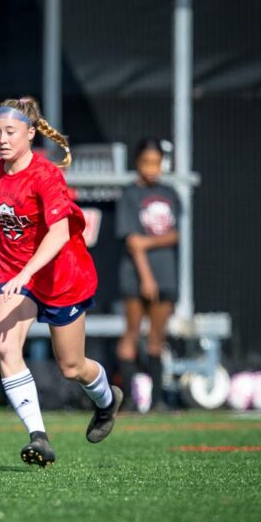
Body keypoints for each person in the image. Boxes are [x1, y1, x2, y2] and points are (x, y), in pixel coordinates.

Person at [0, 97, 122, 468]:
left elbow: (59, 234)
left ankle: (108, 401)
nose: (2, 139)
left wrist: (29, 272)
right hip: (16, 276)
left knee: (72, 367)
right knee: (6, 348)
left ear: (31, 134)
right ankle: (38, 437)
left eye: (10, 132)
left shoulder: (46, 175)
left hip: (62, 278)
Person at [115, 138, 181, 411]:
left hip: (165, 274)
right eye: (147, 163)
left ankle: (156, 402)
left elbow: (174, 234)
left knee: (157, 338)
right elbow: (132, 242)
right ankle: (129, 400)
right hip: (136, 275)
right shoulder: (129, 195)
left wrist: (148, 242)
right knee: (131, 333)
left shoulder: (170, 192)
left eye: (156, 163)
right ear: (137, 163)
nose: (152, 169)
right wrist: (146, 278)